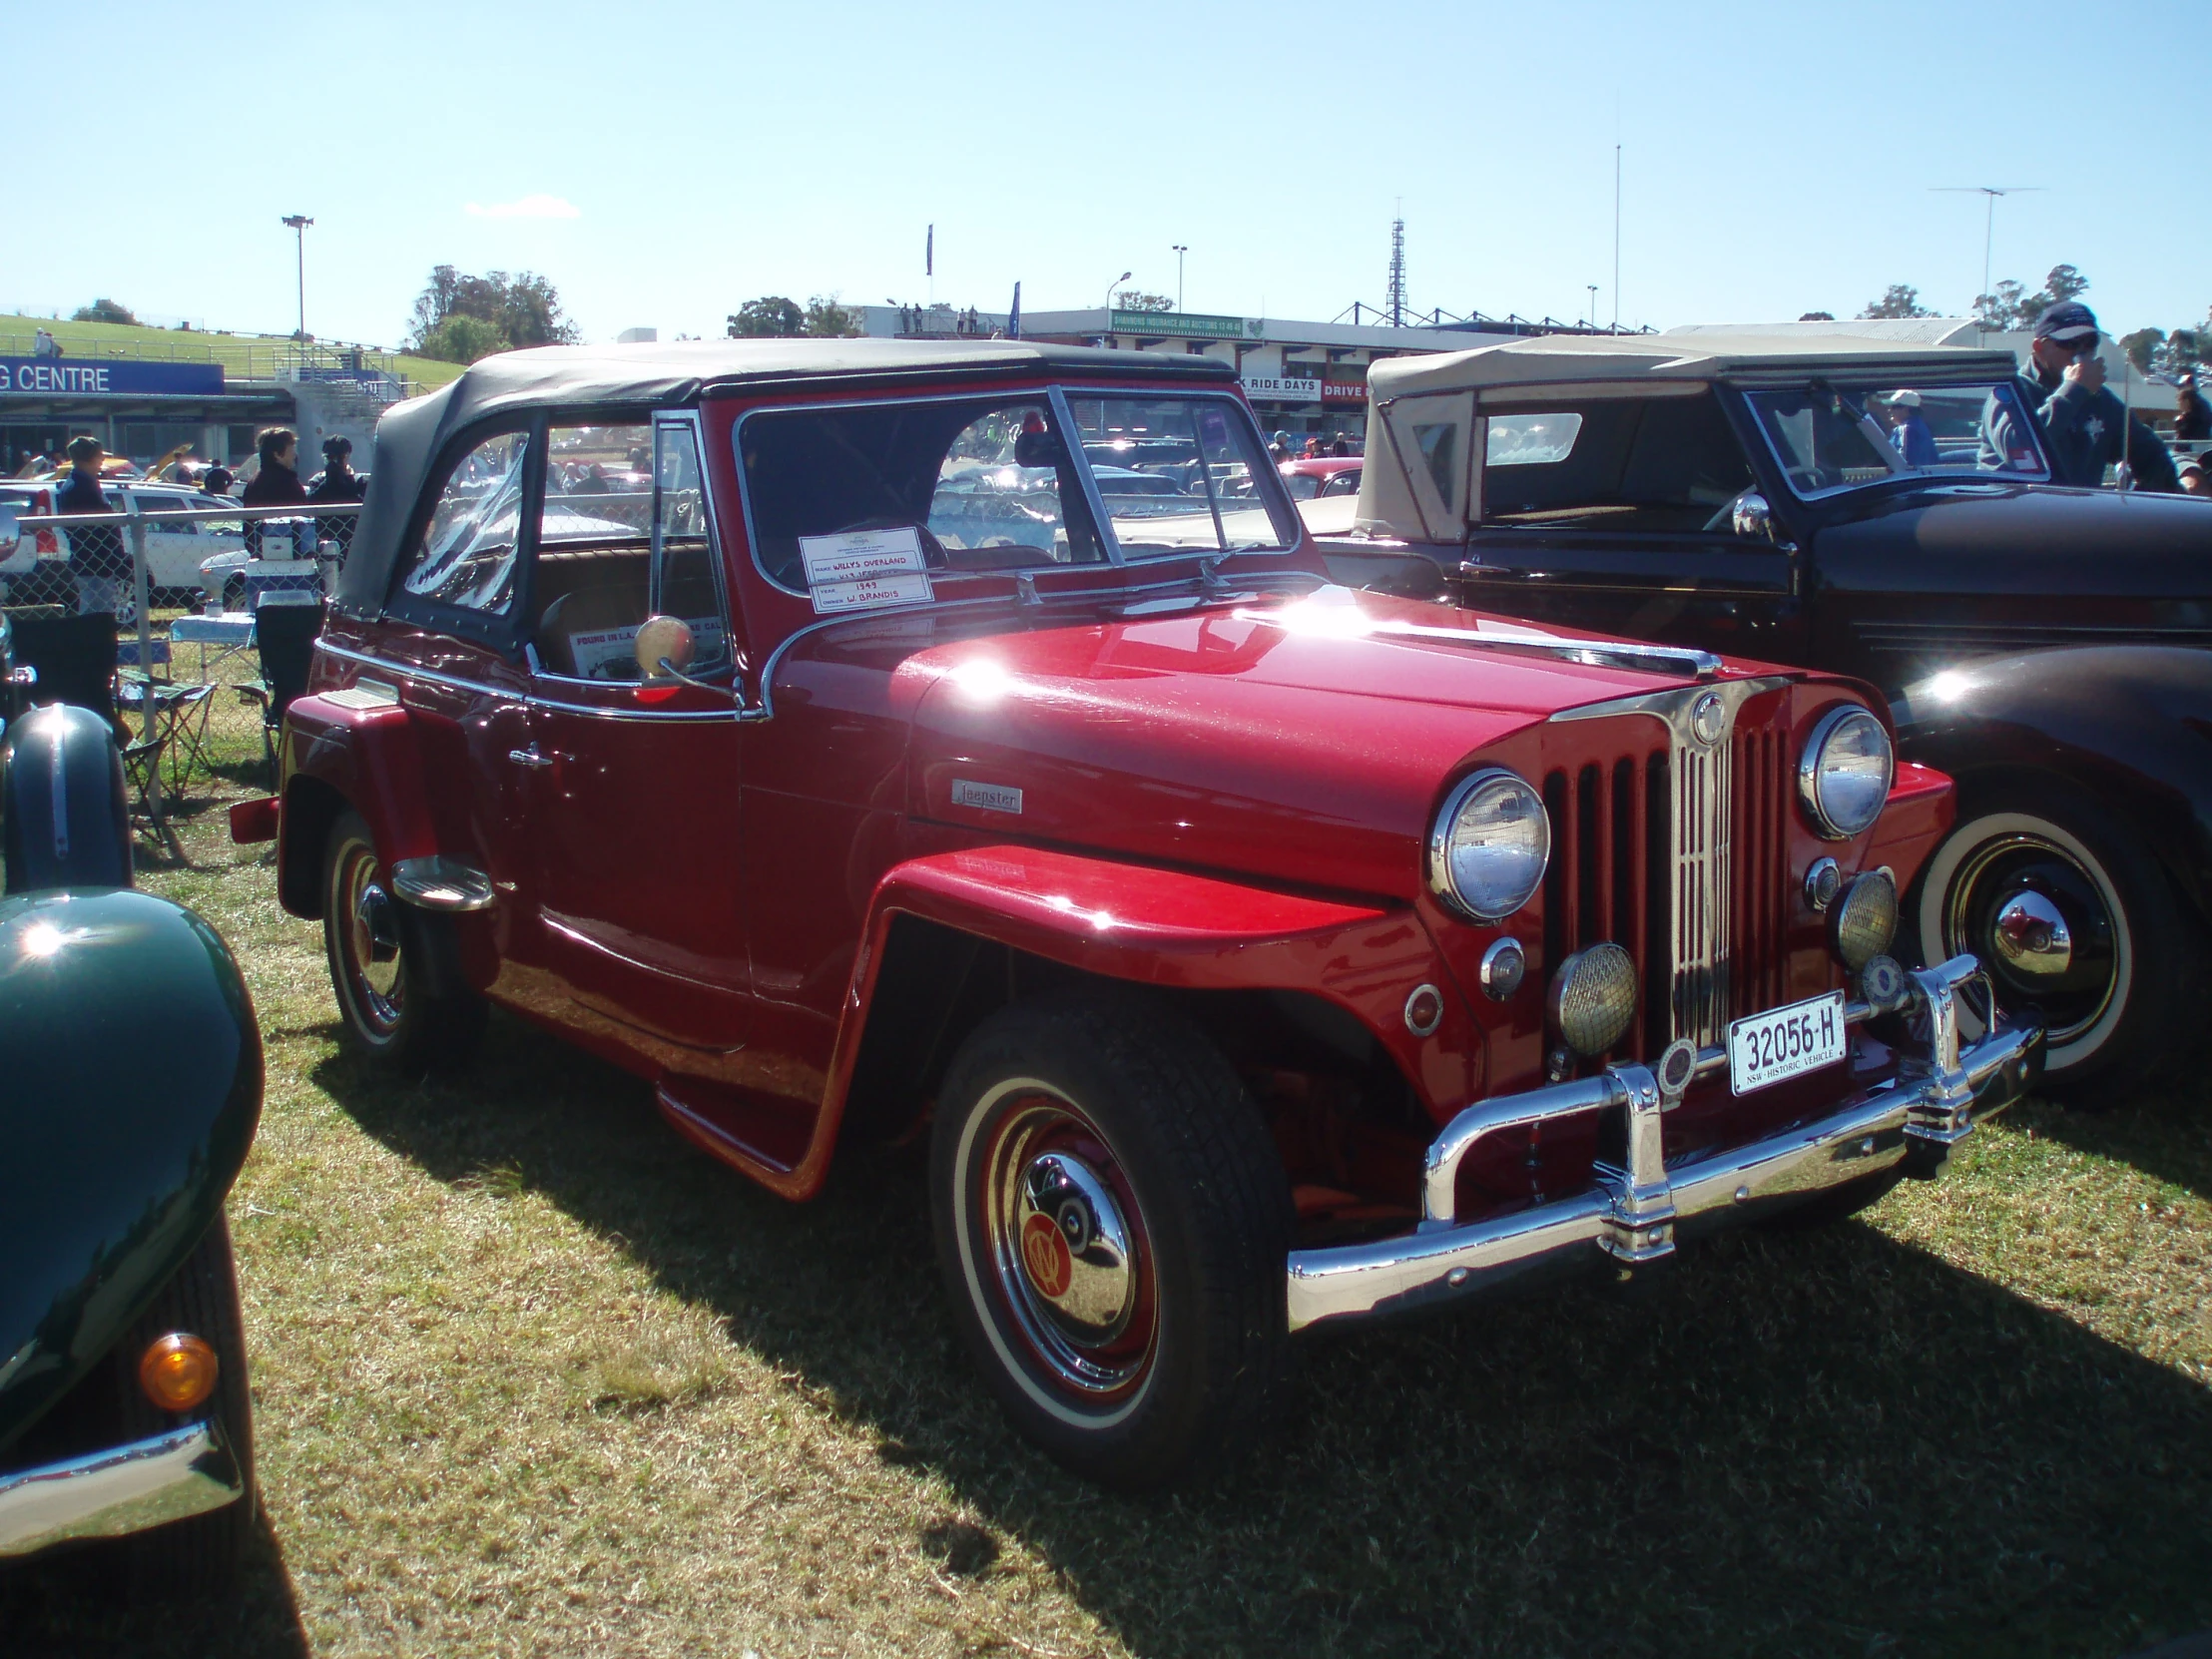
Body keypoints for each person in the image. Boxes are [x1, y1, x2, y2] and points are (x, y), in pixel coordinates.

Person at [1988, 302, 2180, 492]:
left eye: (2090, 343)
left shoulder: (2101, 400)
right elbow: (2019, 450)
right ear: (2039, 347)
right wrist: (2073, 390)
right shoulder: (2010, 392)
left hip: (2079, 517)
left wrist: (2145, 497)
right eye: (2070, 343)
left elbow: (2151, 453)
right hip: (2017, 514)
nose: (2082, 352)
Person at [55, 434, 125, 617]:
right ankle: (94, 644)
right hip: (92, 561)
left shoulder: (87, 483)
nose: (102, 459)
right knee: (95, 613)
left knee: (102, 609)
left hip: (100, 562)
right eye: (99, 455)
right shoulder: (79, 487)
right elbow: (91, 530)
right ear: (89, 458)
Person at [242, 426, 307, 557]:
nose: (294, 454)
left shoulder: (254, 482)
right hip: (291, 552)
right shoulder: (287, 483)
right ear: (277, 454)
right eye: (291, 449)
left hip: (259, 552)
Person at [1884, 390, 1940, 467]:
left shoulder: (1906, 429)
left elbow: (1903, 462)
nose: (1889, 410)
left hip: (1910, 477)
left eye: (1894, 407)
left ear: (1906, 409)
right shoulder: (1921, 426)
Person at [2176, 376, 2211, 442]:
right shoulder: (2203, 402)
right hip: (2201, 441)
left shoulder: (2197, 404)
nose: (2179, 389)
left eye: (2182, 386)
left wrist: (2180, 421)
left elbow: (2188, 430)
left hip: (2193, 444)